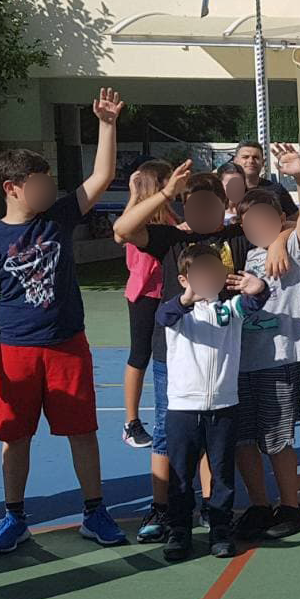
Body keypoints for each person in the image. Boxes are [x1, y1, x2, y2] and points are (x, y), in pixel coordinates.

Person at [0, 88, 130, 554]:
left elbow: (102, 176)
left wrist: (106, 124)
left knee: (82, 431)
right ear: (12, 188)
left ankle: (94, 511)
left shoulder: (57, 218)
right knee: (15, 436)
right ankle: (14, 517)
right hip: (15, 351)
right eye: (39, 182)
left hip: (66, 345)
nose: (48, 189)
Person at [115, 162, 255, 541]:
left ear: (224, 206)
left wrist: (274, 246)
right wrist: (164, 194)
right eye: (194, 205)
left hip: (220, 357)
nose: (202, 212)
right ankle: (163, 507)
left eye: (210, 205)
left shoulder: (236, 237)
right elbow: (123, 230)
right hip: (174, 358)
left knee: (214, 440)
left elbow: (288, 228)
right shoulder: (170, 239)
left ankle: (211, 507)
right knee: (166, 434)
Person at [155, 247, 271, 560]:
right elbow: (163, 317)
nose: (208, 279)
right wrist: (186, 299)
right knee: (181, 474)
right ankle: (179, 530)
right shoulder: (179, 313)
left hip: (223, 406)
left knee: (222, 474)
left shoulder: (229, 310)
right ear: (185, 280)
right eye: (200, 274)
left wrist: (259, 287)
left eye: (213, 273)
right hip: (183, 408)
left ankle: (220, 528)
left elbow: (254, 302)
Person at [232, 144, 300, 541]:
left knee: (278, 439)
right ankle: (259, 504)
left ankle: (291, 505)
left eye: (267, 219)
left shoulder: (294, 249)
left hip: (281, 359)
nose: (258, 225)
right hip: (243, 361)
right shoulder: (246, 255)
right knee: (244, 439)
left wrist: (299, 177)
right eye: (250, 220)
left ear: (281, 219)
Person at [121, 159, 174, 450]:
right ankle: (131, 423)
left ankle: (173, 413)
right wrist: (133, 194)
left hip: (167, 292)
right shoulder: (138, 217)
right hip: (144, 295)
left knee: (170, 356)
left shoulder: (169, 214)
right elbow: (122, 231)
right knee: (140, 354)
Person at [233, 139, 300, 217]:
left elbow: (296, 219)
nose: (251, 161)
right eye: (245, 157)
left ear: (263, 163)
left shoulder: (276, 190)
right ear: (235, 161)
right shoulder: (225, 191)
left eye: (256, 157)